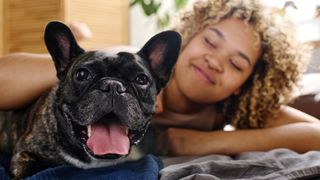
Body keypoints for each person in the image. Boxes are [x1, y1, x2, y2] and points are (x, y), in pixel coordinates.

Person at [0, 0, 320, 159]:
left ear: (246, 84)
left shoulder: (228, 110)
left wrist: (207, 141)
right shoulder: (127, 64)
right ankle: (82, 34)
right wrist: (99, 66)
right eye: (210, 42)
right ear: (190, 35)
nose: (215, 60)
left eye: (237, 64)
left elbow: (315, 132)